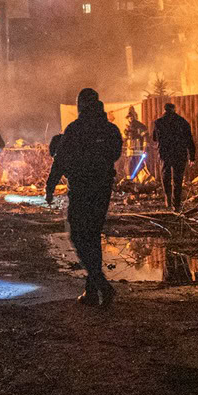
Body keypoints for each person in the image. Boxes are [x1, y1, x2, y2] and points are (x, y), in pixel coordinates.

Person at [46, 87, 125, 307]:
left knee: (79, 236)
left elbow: (60, 159)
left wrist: (50, 186)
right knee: (93, 237)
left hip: (81, 189)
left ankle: (101, 285)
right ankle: (91, 291)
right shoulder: (110, 129)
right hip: (102, 188)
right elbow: (115, 154)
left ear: (80, 104)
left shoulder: (75, 129)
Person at [152, 103, 196, 211]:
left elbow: (154, 138)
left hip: (165, 153)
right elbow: (189, 140)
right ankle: (176, 203)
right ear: (174, 110)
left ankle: (167, 197)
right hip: (179, 153)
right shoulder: (183, 122)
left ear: (164, 110)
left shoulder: (158, 122)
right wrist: (192, 156)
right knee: (178, 179)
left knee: (165, 176)